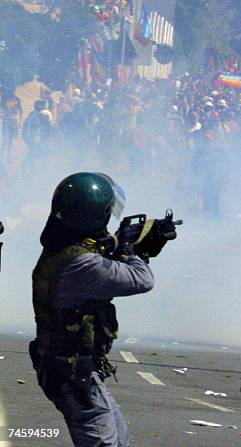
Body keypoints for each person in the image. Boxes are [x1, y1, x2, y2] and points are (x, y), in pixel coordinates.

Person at [29, 172, 154, 447]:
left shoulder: (61, 246)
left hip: (69, 365)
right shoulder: (83, 265)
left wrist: (117, 246)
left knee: (118, 439)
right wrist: (132, 250)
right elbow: (142, 280)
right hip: (71, 371)